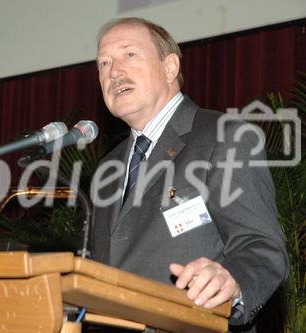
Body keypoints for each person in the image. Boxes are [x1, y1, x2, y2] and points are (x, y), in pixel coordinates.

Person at [90, 17, 288, 332]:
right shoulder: (108, 167)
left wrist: (232, 280)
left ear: (170, 68)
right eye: (104, 63)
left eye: (129, 55)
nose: (113, 72)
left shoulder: (224, 136)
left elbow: (261, 246)